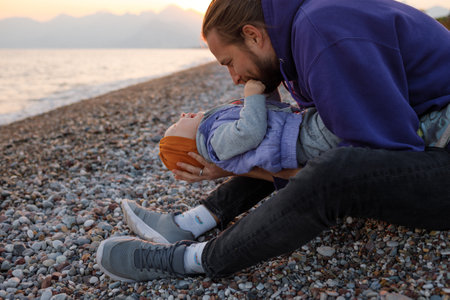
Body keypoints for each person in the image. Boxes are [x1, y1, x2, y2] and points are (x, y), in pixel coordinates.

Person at [96, 0, 450, 282]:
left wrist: (237, 169)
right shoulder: (306, 29)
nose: (235, 77)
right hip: (426, 129)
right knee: (291, 133)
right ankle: (190, 223)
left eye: (230, 63)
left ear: (253, 35)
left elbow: (377, 157)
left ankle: (192, 260)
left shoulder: (323, 31)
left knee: (333, 170)